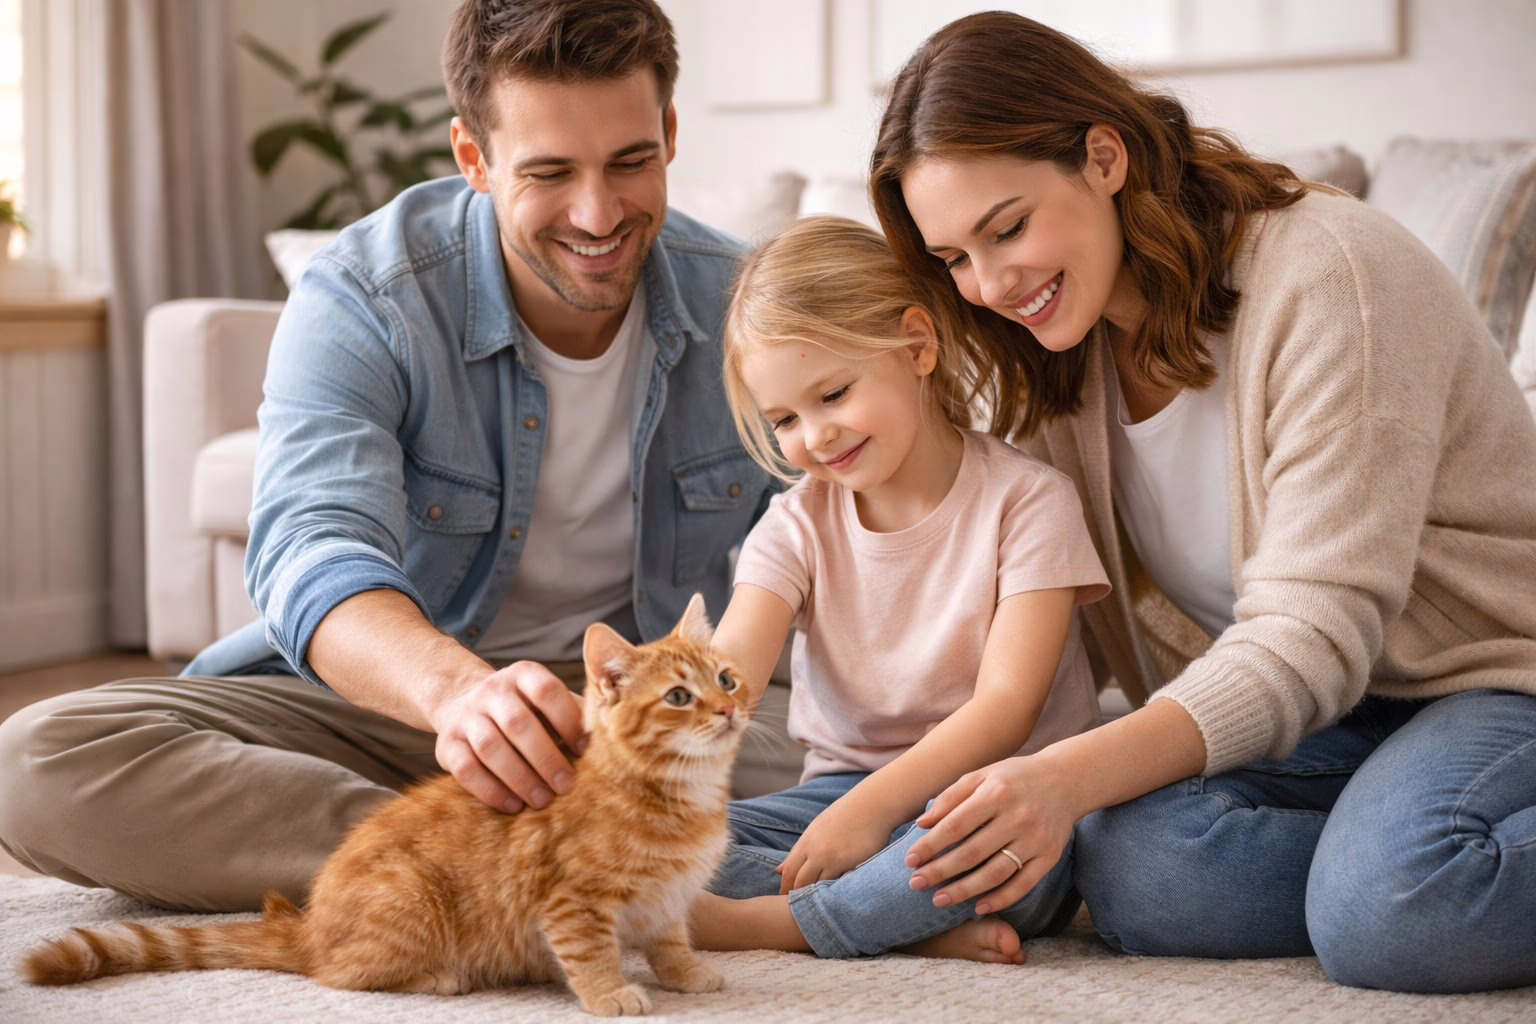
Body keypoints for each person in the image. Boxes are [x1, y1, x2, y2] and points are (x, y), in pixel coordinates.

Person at [0, 0, 776, 912]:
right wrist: (459, 697)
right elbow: (312, 546)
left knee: (894, 773)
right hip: (402, 706)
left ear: (670, 133)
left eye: (631, 162)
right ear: (473, 157)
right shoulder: (368, 294)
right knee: (37, 764)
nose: (597, 213)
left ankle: (497, 880)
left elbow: (855, 535)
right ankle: (521, 875)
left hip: (650, 724)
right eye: (550, 172)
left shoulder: (748, 303)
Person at [867, 11, 1536, 993]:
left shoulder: (1330, 276)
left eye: (1006, 228)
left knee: (1390, 909)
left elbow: (1309, 636)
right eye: (955, 259)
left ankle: (1395, 875)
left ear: (1104, 158)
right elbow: (1029, 625)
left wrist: (1064, 776)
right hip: (1335, 716)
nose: (992, 283)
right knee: (1134, 862)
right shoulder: (1059, 351)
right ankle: (1395, 853)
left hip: (1495, 677)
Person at [686, 216, 1110, 963]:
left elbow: (1007, 709)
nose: (816, 435)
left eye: (833, 393)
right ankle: (900, 927)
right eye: (785, 419)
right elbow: (730, 678)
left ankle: (780, 927)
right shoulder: (793, 526)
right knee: (668, 845)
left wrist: (871, 812)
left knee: (1009, 867)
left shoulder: (1029, 502)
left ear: (917, 346)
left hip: (995, 797)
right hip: (837, 793)